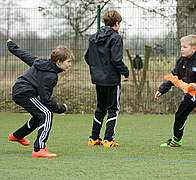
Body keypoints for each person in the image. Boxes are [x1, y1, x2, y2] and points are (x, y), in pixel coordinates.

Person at [7, 38, 73, 158]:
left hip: (20, 90)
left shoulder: (41, 62)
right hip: (24, 93)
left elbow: (24, 55)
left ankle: (17, 135)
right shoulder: (51, 76)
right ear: (59, 62)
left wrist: (11, 45)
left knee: (39, 116)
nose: (70, 65)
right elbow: (45, 100)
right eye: (68, 62)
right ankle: (39, 149)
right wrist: (61, 108)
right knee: (47, 114)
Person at [155, 34, 196, 151]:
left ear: (194, 48)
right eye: (181, 46)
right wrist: (162, 89)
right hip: (191, 93)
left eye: (185, 47)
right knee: (180, 114)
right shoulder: (181, 61)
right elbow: (174, 77)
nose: (181, 49)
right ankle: (176, 140)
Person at [84, 10, 129, 147]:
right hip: (112, 80)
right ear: (117, 23)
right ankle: (108, 139)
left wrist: (96, 69)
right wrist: (125, 72)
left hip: (98, 79)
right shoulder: (116, 38)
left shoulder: (93, 37)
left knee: (100, 108)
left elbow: (87, 57)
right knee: (113, 108)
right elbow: (116, 60)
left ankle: (93, 138)